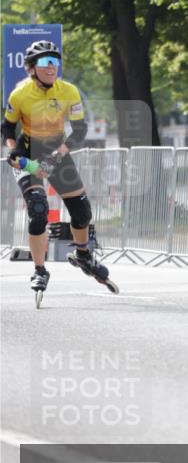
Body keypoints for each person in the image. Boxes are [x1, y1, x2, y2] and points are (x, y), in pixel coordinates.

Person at [1, 40, 117, 296]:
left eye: (55, 61)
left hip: (57, 151)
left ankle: (83, 254)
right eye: (45, 62)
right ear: (32, 68)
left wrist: (57, 156)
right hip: (28, 153)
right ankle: (40, 270)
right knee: (38, 209)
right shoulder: (19, 94)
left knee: (82, 212)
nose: (51, 66)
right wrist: (12, 150)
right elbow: (7, 127)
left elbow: (80, 130)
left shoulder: (69, 91)